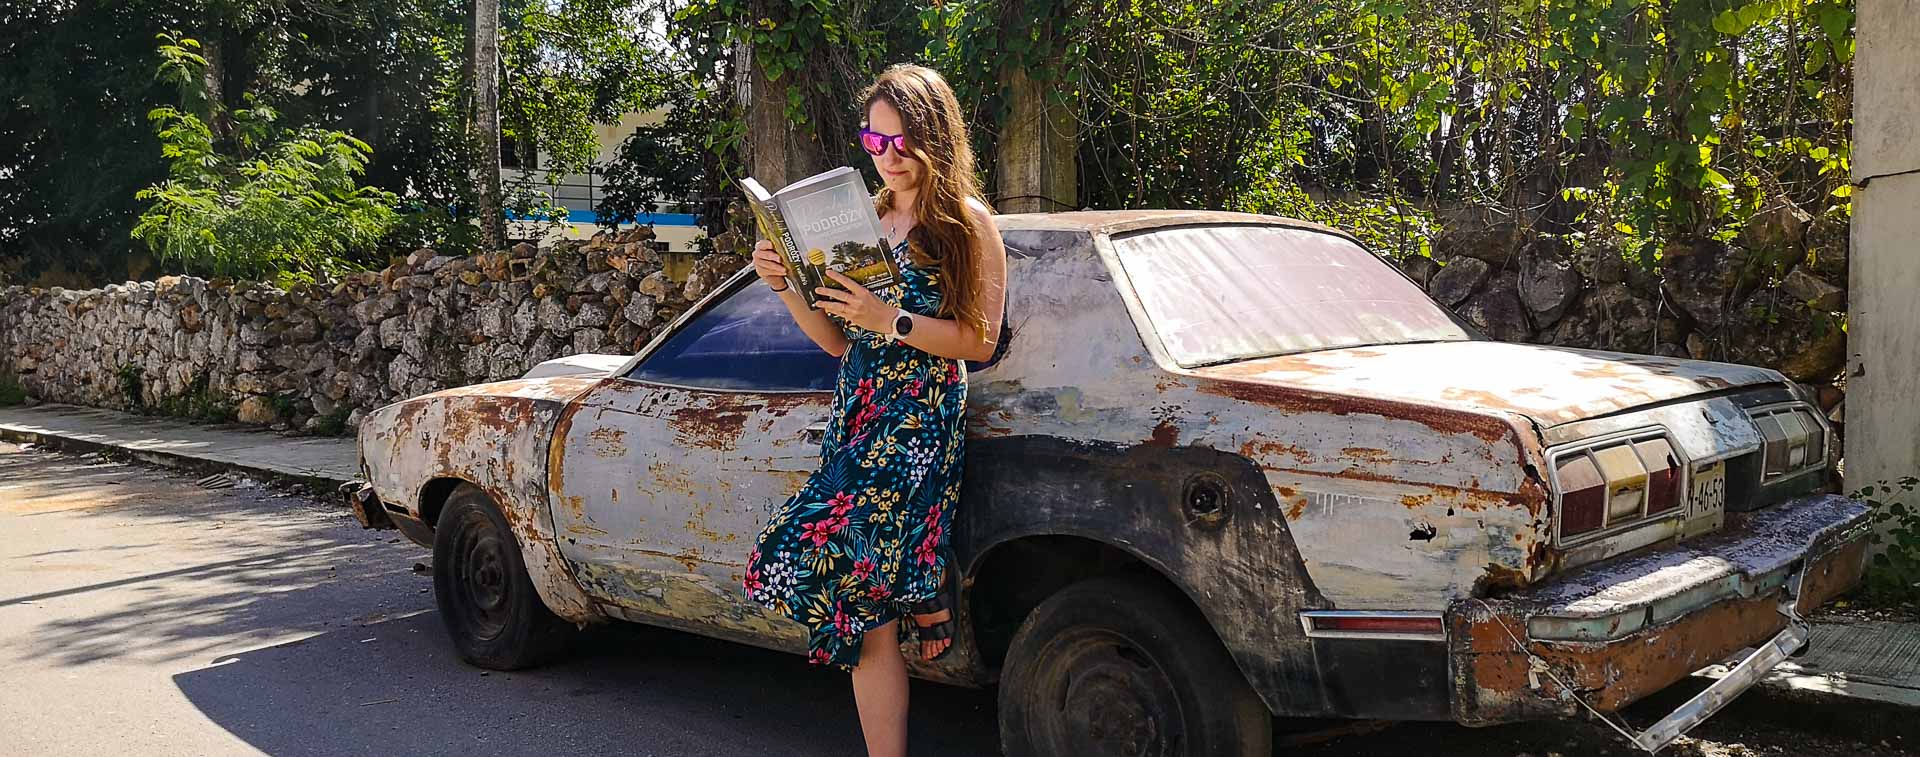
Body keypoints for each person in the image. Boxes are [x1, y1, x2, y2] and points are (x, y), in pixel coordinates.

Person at [741, 63, 1007, 757]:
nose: (884, 156)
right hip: (857, 411)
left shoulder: (966, 223)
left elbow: (978, 341)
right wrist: (786, 286)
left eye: (899, 141)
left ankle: (921, 577)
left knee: (833, 575)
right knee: (861, 610)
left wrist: (892, 319)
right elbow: (835, 337)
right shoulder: (866, 220)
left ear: (934, 138)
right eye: (872, 139)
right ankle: (919, 581)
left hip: (916, 422)